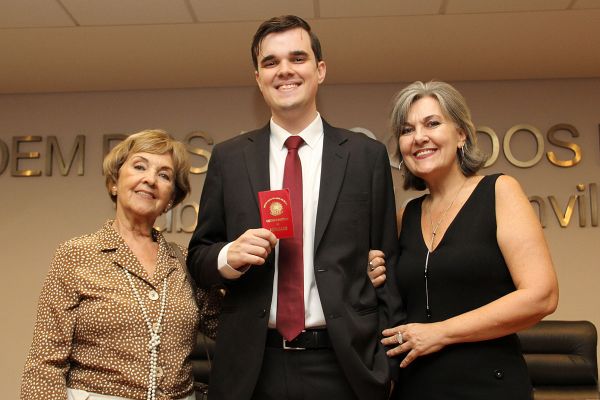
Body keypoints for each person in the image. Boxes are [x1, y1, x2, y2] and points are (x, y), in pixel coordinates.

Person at [187, 15, 400, 400]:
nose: (284, 70)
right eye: (271, 62)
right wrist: (227, 256)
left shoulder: (365, 157)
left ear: (320, 70)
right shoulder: (229, 159)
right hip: (252, 369)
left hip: (345, 366)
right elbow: (199, 257)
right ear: (258, 78)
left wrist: (387, 365)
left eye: (297, 58)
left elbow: (390, 264)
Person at [374, 81, 559, 399]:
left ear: (461, 135)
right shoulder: (406, 216)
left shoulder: (499, 191)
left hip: (489, 384)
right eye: (407, 130)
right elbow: (394, 303)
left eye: (432, 123)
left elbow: (542, 296)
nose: (419, 137)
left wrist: (440, 332)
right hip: (417, 387)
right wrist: (373, 274)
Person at [21, 130, 205, 400]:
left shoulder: (186, 262)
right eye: (140, 166)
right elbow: (44, 363)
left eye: (164, 175)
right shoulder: (76, 254)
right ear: (114, 183)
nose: (150, 179)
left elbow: (229, 325)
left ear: (170, 200)